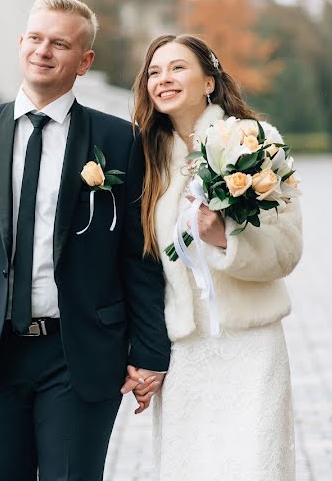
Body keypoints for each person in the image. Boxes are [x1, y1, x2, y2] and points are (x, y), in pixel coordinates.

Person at [0, 0, 171, 481]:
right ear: (21, 44)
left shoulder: (119, 139)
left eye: (60, 43)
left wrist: (149, 353)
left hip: (78, 353)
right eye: (35, 38)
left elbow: (137, 256)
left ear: (85, 61)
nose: (44, 51)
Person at [130, 34, 303, 480]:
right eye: (154, 71)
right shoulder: (146, 157)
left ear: (209, 81)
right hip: (185, 352)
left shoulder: (255, 142)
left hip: (250, 345)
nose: (163, 79)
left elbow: (287, 250)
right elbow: (138, 265)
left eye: (177, 68)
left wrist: (225, 239)